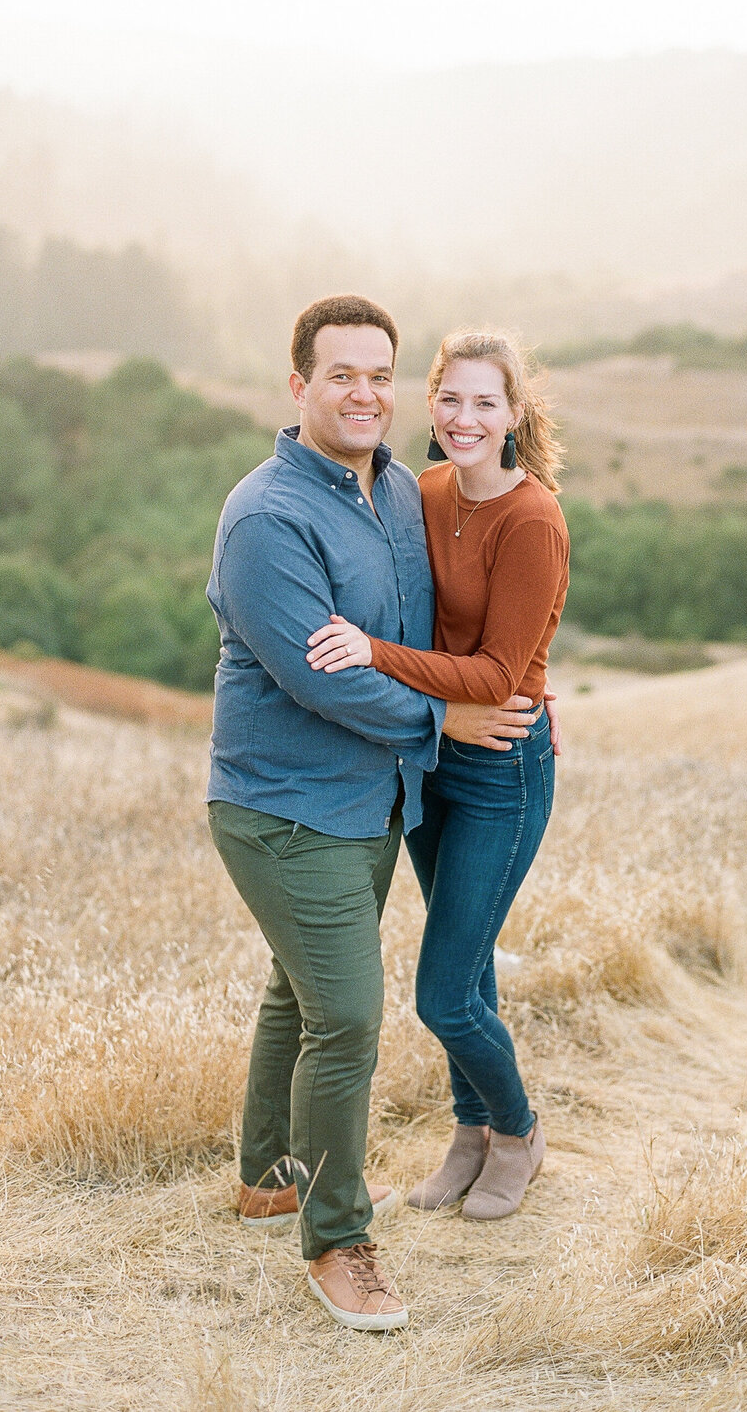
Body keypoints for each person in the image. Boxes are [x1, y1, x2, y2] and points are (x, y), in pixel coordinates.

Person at [205, 295, 538, 1333]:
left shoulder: (398, 491)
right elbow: (327, 681)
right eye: (340, 374)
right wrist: (452, 721)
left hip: (371, 801)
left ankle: (271, 1177)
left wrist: (515, 692)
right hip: (284, 805)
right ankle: (338, 1240)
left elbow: (478, 607)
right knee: (346, 1017)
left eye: (379, 374)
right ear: (297, 384)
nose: (363, 393)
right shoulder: (267, 518)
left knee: (295, 994)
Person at [306, 330, 570, 1221]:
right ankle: (471, 1137)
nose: (465, 418)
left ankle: (521, 1132)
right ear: (432, 404)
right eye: (450, 400)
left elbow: (498, 676)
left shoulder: (531, 519)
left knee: (445, 995)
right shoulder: (421, 492)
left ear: (515, 414)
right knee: (473, 971)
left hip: (502, 765)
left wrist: (374, 654)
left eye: (485, 403)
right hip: (430, 758)